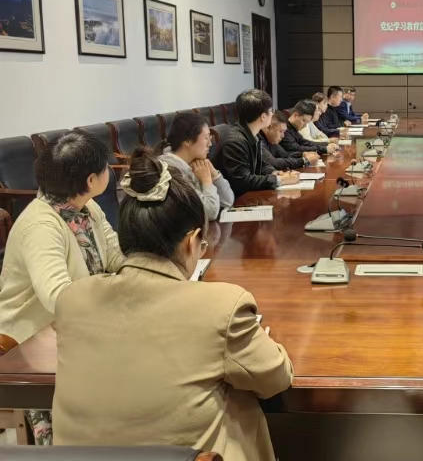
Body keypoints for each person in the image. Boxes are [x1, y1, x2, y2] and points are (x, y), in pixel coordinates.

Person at [53, 150, 293, 461]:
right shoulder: (222, 307)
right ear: (192, 242)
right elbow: (276, 378)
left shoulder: (72, 299)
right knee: (237, 399)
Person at [0, 130, 125, 445]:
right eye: (104, 167)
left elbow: (114, 256)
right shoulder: (41, 226)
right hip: (32, 338)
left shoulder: (86, 208)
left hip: (81, 322)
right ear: (91, 180)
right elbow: (59, 299)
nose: (108, 171)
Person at [217, 89, 299, 197]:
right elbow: (244, 181)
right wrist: (280, 180)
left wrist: (275, 173)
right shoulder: (235, 141)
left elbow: (262, 165)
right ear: (263, 116)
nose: (273, 113)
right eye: (271, 110)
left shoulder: (254, 133)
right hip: (242, 198)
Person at [158, 112, 234, 221]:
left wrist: (214, 174)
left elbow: (227, 201)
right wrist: (207, 182)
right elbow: (210, 213)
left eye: (210, 138)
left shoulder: (195, 164)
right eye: (206, 138)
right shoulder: (171, 170)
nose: (210, 144)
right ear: (187, 141)